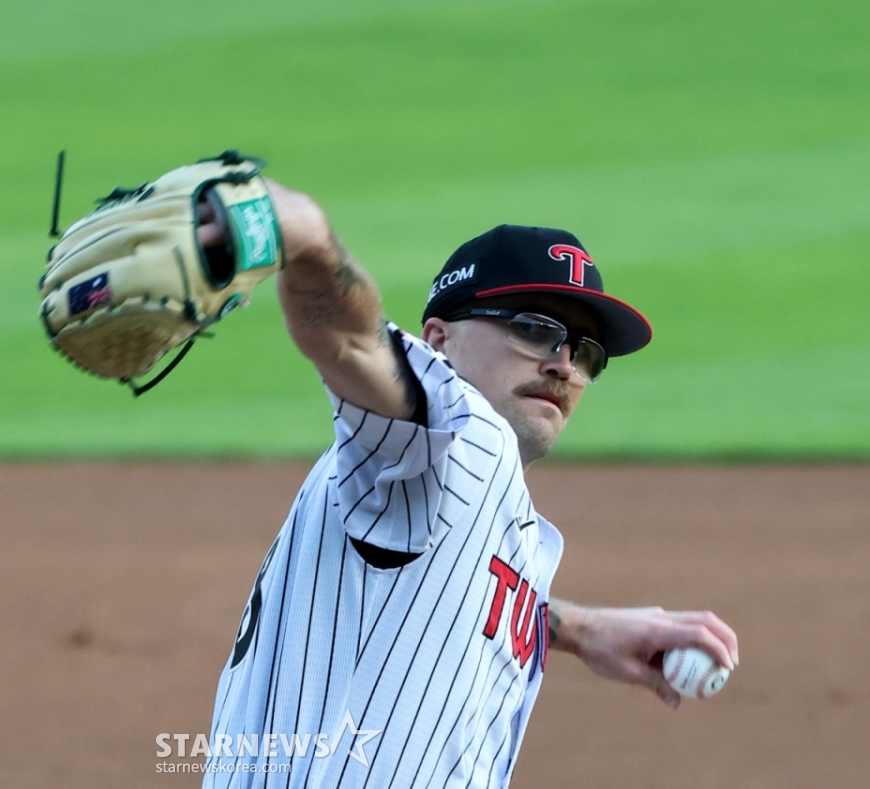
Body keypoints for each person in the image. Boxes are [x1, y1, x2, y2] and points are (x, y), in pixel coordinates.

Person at [194, 180, 739, 788]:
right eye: (534, 329)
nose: (563, 364)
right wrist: (305, 235)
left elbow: (444, 586)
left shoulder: (448, 487)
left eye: (586, 352)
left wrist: (575, 629)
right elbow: (346, 339)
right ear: (437, 343)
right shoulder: (454, 435)